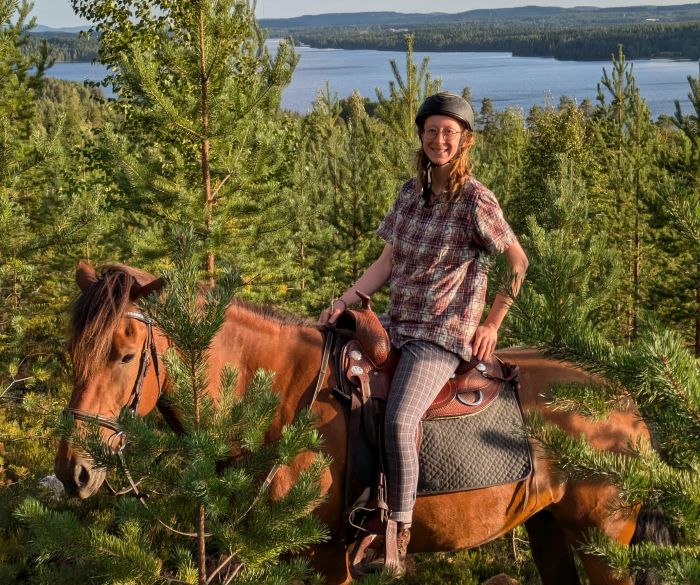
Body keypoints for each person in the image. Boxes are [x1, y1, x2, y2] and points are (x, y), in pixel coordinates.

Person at [319, 92, 528, 574]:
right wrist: (346, 301)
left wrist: (493, 322)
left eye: (449, 133)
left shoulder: (476, 199)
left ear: (464, 140)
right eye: (432, 131)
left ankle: (397, 531)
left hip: (440, 335)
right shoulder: (409, 194)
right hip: (396, 325)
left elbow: (517, 262)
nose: (439, 140)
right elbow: (387, 262)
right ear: (422, 135)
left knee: (399, 419)